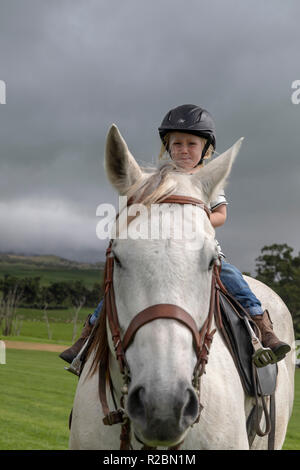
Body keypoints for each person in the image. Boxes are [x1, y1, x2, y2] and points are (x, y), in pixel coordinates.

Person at [59, 104, 291, 365]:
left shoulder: (207, 179)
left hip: (197, 249)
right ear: (167, 147)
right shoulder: (158, 179)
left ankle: (262, 328)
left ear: (206, 149)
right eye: (177, 143)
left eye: (191, 143)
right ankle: (88, 337)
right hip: (159, 248)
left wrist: (194, 221)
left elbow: (221, 215)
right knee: (118, 286)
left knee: (234, 279)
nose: (183, 149)